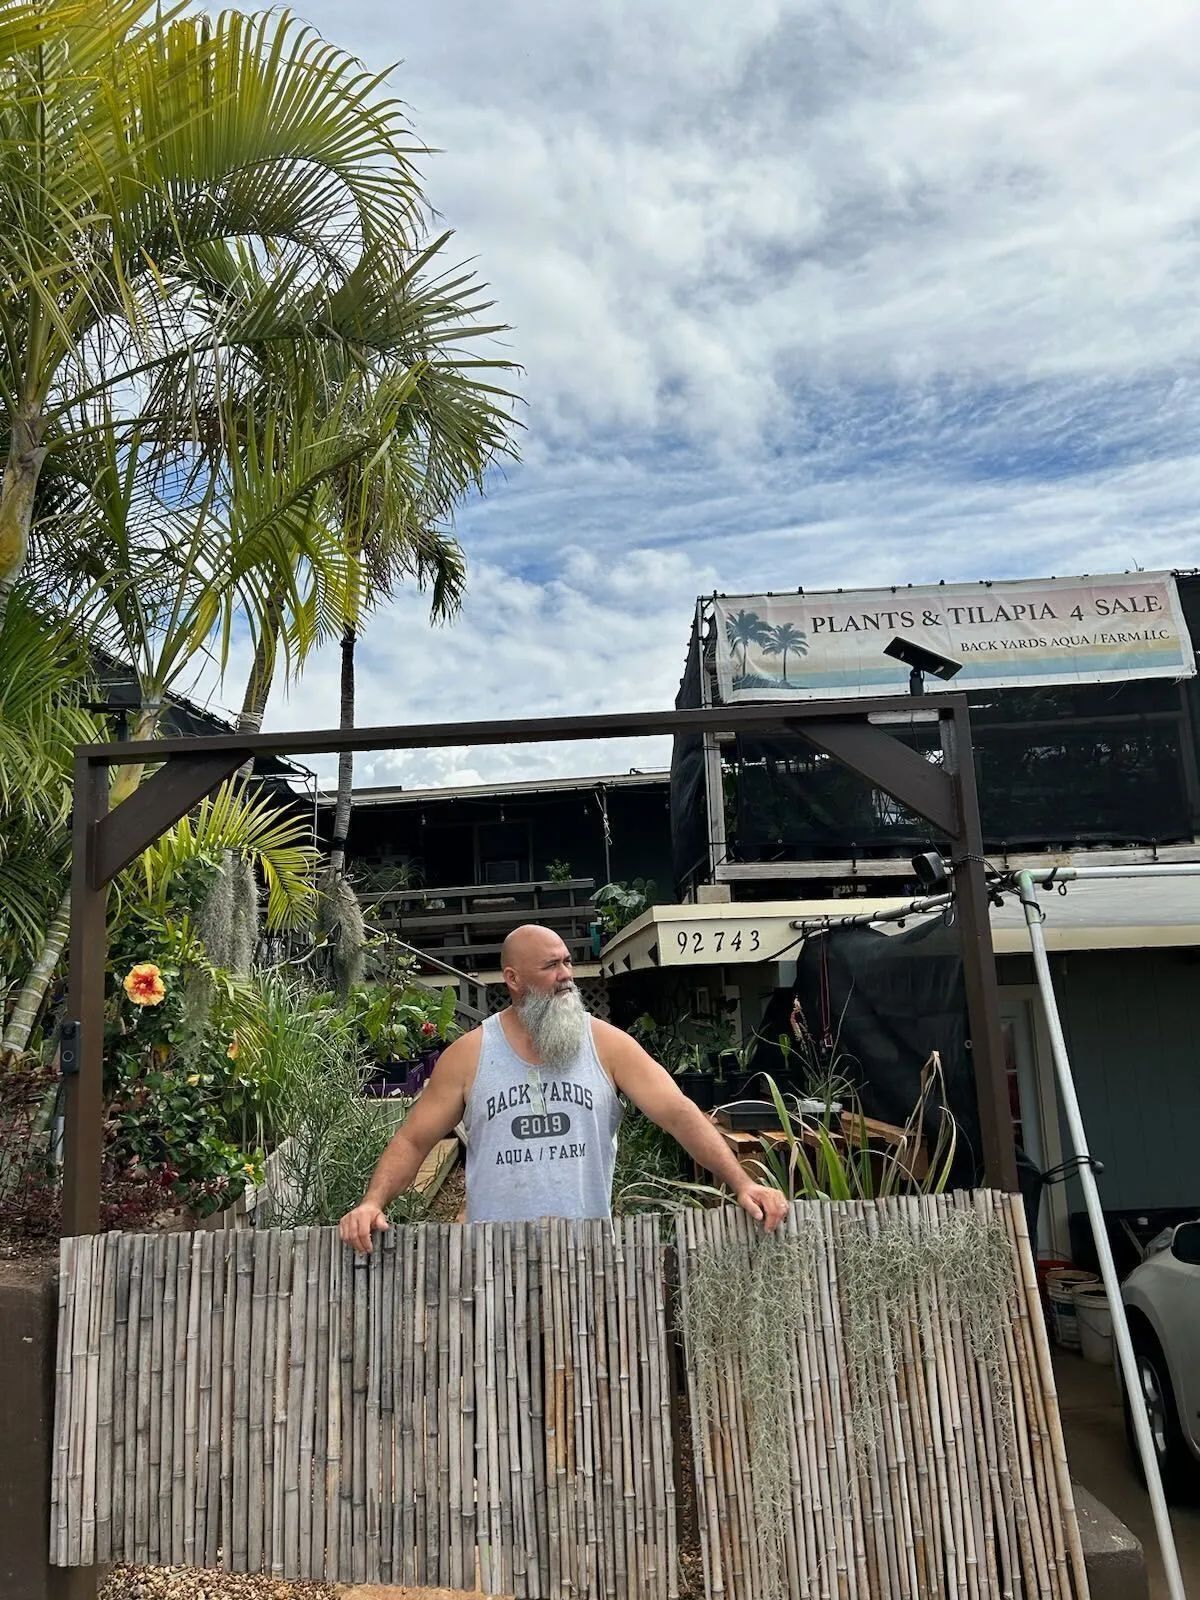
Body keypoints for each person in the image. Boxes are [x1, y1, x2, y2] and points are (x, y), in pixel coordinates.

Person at [339, 923, 788, 1252]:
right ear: (513, 979)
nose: (566, 974)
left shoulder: (608, 1046)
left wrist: (740, 1183)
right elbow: (414, 1139)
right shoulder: (470, 1055)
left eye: (568, 961)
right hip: (492, 1258)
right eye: (551, 965)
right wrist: (372, 1202)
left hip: (587, 1255)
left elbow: (679, 1113)